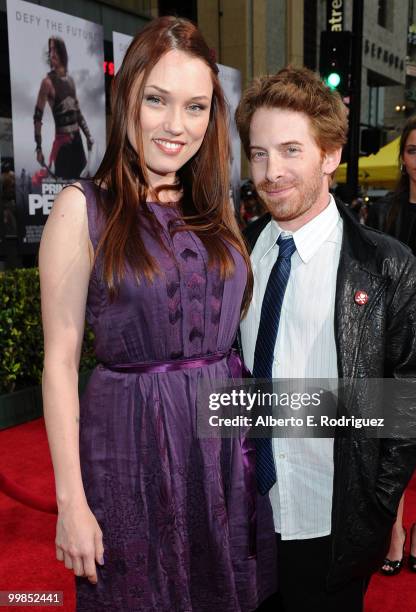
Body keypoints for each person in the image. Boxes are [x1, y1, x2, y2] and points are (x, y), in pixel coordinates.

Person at [39, 17, 276, 611]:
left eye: (196, 107)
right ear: (127, 100)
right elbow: (61, 362)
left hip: (222, 439)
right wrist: (71, 502)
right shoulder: (82, 209)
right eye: (157, 100)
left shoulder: (212, 203)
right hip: (131, 444)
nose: (177, 126)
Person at [235, 66, 416, 612]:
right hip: (247, 516)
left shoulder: (386, 265)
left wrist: (375, 506)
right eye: (258, 153)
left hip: (334, 519)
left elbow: (414, 398)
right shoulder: (236, 256)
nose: (271, 172)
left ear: (330, 155)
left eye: (291, 150)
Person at [367, 114, 416, 575]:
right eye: (413, 150)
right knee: (389, 439)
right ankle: (394, 530)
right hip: (392, 342)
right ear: (403, 158)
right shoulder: (383, 212)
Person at [34, 37, 94, 179]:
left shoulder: (71, 81)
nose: (52, 54)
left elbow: (77, 113)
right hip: (62, 146)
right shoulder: (47, 83)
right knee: (64, 190)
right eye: (50, 50)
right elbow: (37, 117)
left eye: (55, 49)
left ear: (62, 52)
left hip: (77, 142)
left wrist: (88, 136)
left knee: (83, 187)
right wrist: (38, 148)